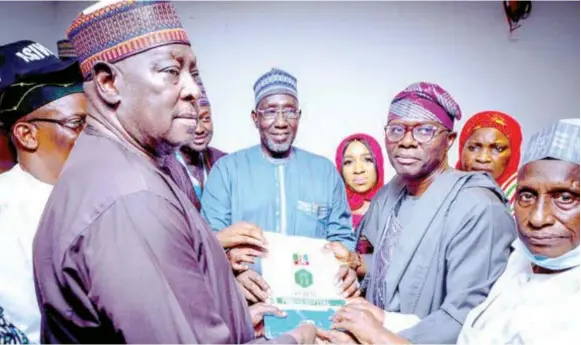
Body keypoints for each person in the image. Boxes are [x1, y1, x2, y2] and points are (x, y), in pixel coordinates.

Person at [32, 1, 315, 344]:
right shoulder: (133, 201)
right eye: (170, 71)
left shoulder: (121, 163)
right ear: (108, 82)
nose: (194, 90)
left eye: (193, 72)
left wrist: (234, 319)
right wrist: (298, 338)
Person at [320, 82, 516, 344]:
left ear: (449, 140)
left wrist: (376, 336)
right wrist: (357, 264)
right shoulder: (391, 193)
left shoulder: (479, 207)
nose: (407, 141)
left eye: (424, 130)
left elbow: (468, 318)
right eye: (397, 130)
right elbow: (398, 263)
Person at [201, 67, 357, 303]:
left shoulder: (324, 172)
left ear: (299, 116)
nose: (281, 122)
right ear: (255, 118)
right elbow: (210, 240)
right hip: (249, 301)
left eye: (290, 111)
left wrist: (347, 270)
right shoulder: (226, 170)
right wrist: (234, 276)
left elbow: (341, 238)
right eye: (271, 111)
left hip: (315, 300)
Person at [457, 118, 580, 344]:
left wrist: (382, 336)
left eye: (565, 198)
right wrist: (383, 320)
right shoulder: (520, 259)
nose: (537, 218)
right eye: (527, 195)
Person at [0, 39, 86, 344]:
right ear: (25, 134)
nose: (90, 138)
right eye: (78, 124)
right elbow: (30, 324)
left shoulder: (91, 188)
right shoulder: (8, 212)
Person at [457, 111, 523, 213]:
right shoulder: (443, 187)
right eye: (473, 148)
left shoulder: (524, 200)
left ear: (513, 154)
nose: (483, 158)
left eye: (498, 149)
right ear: (462, 148)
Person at [176, 81, 226, 207]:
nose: (199, 129)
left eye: (206, 118)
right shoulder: (163, 168)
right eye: (191, 119)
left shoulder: (224, 162)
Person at [335, 133, 384, 254]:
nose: (358, 170)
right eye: (348, 162)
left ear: (378, 163)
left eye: (368, 160)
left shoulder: (392, 206)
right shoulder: (333, 208)